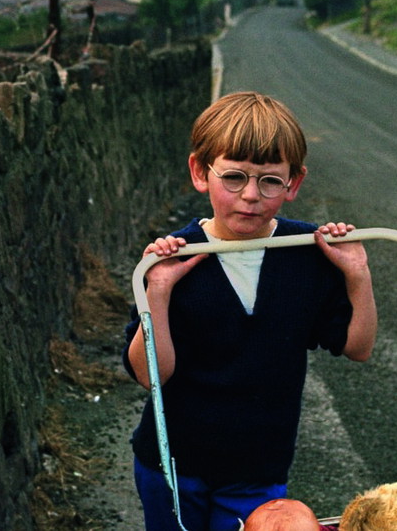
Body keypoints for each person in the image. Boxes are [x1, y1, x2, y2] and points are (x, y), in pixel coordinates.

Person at [124, 91, 377, 531]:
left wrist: (358, 275)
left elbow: (358, 347)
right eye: (235, 177)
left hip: (258, 471)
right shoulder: (172, 260)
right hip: (172, 465)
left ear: (293, 184)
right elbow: (151, 376)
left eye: (270, 181)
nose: (251, 196)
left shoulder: (306, 255)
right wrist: (159, 291)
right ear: (201, 172)